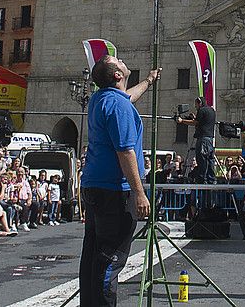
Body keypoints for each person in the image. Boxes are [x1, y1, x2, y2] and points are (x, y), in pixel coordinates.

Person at [78, 55, 160, 307]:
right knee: (110, 258)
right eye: (119, 61)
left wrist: (148, 80)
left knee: (93, 254)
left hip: (94, 185)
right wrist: (139, 192)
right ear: (117, 75)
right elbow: (126, 151)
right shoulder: (119, 106)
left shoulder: (100, 99)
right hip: (115, 190)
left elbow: (128, 96)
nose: (123, 61)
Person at [177, 96, 218, 184]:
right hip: (210, 139)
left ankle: (202, 179)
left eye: (196, 105)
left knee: (202, 159)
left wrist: (182, 121)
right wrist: (195, 117)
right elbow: (204, 121)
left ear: (199, 103)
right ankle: (211, 179)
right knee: (210, 159)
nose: (195, 107)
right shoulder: (212, 111)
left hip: (202, 139)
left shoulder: (202, 110)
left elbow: (196, 123)